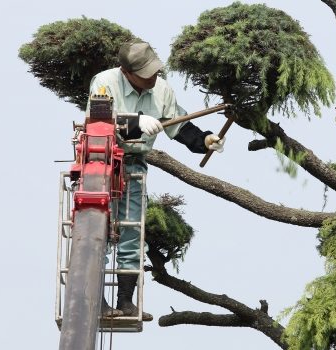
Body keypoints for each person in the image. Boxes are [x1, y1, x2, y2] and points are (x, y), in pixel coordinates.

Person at [88, 41, 226, 320]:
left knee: (132, 233)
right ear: (127, 72)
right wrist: (134, 122)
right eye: (145, 73)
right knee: (98, 233)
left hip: (135, 166)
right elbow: (99, 123)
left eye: (153, 71)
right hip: (101, 164)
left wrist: (206, 140)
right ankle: (96, 302)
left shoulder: (161, 89)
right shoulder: (104, 83)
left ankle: (125, 301)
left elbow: (180, 125)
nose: (152, 77)